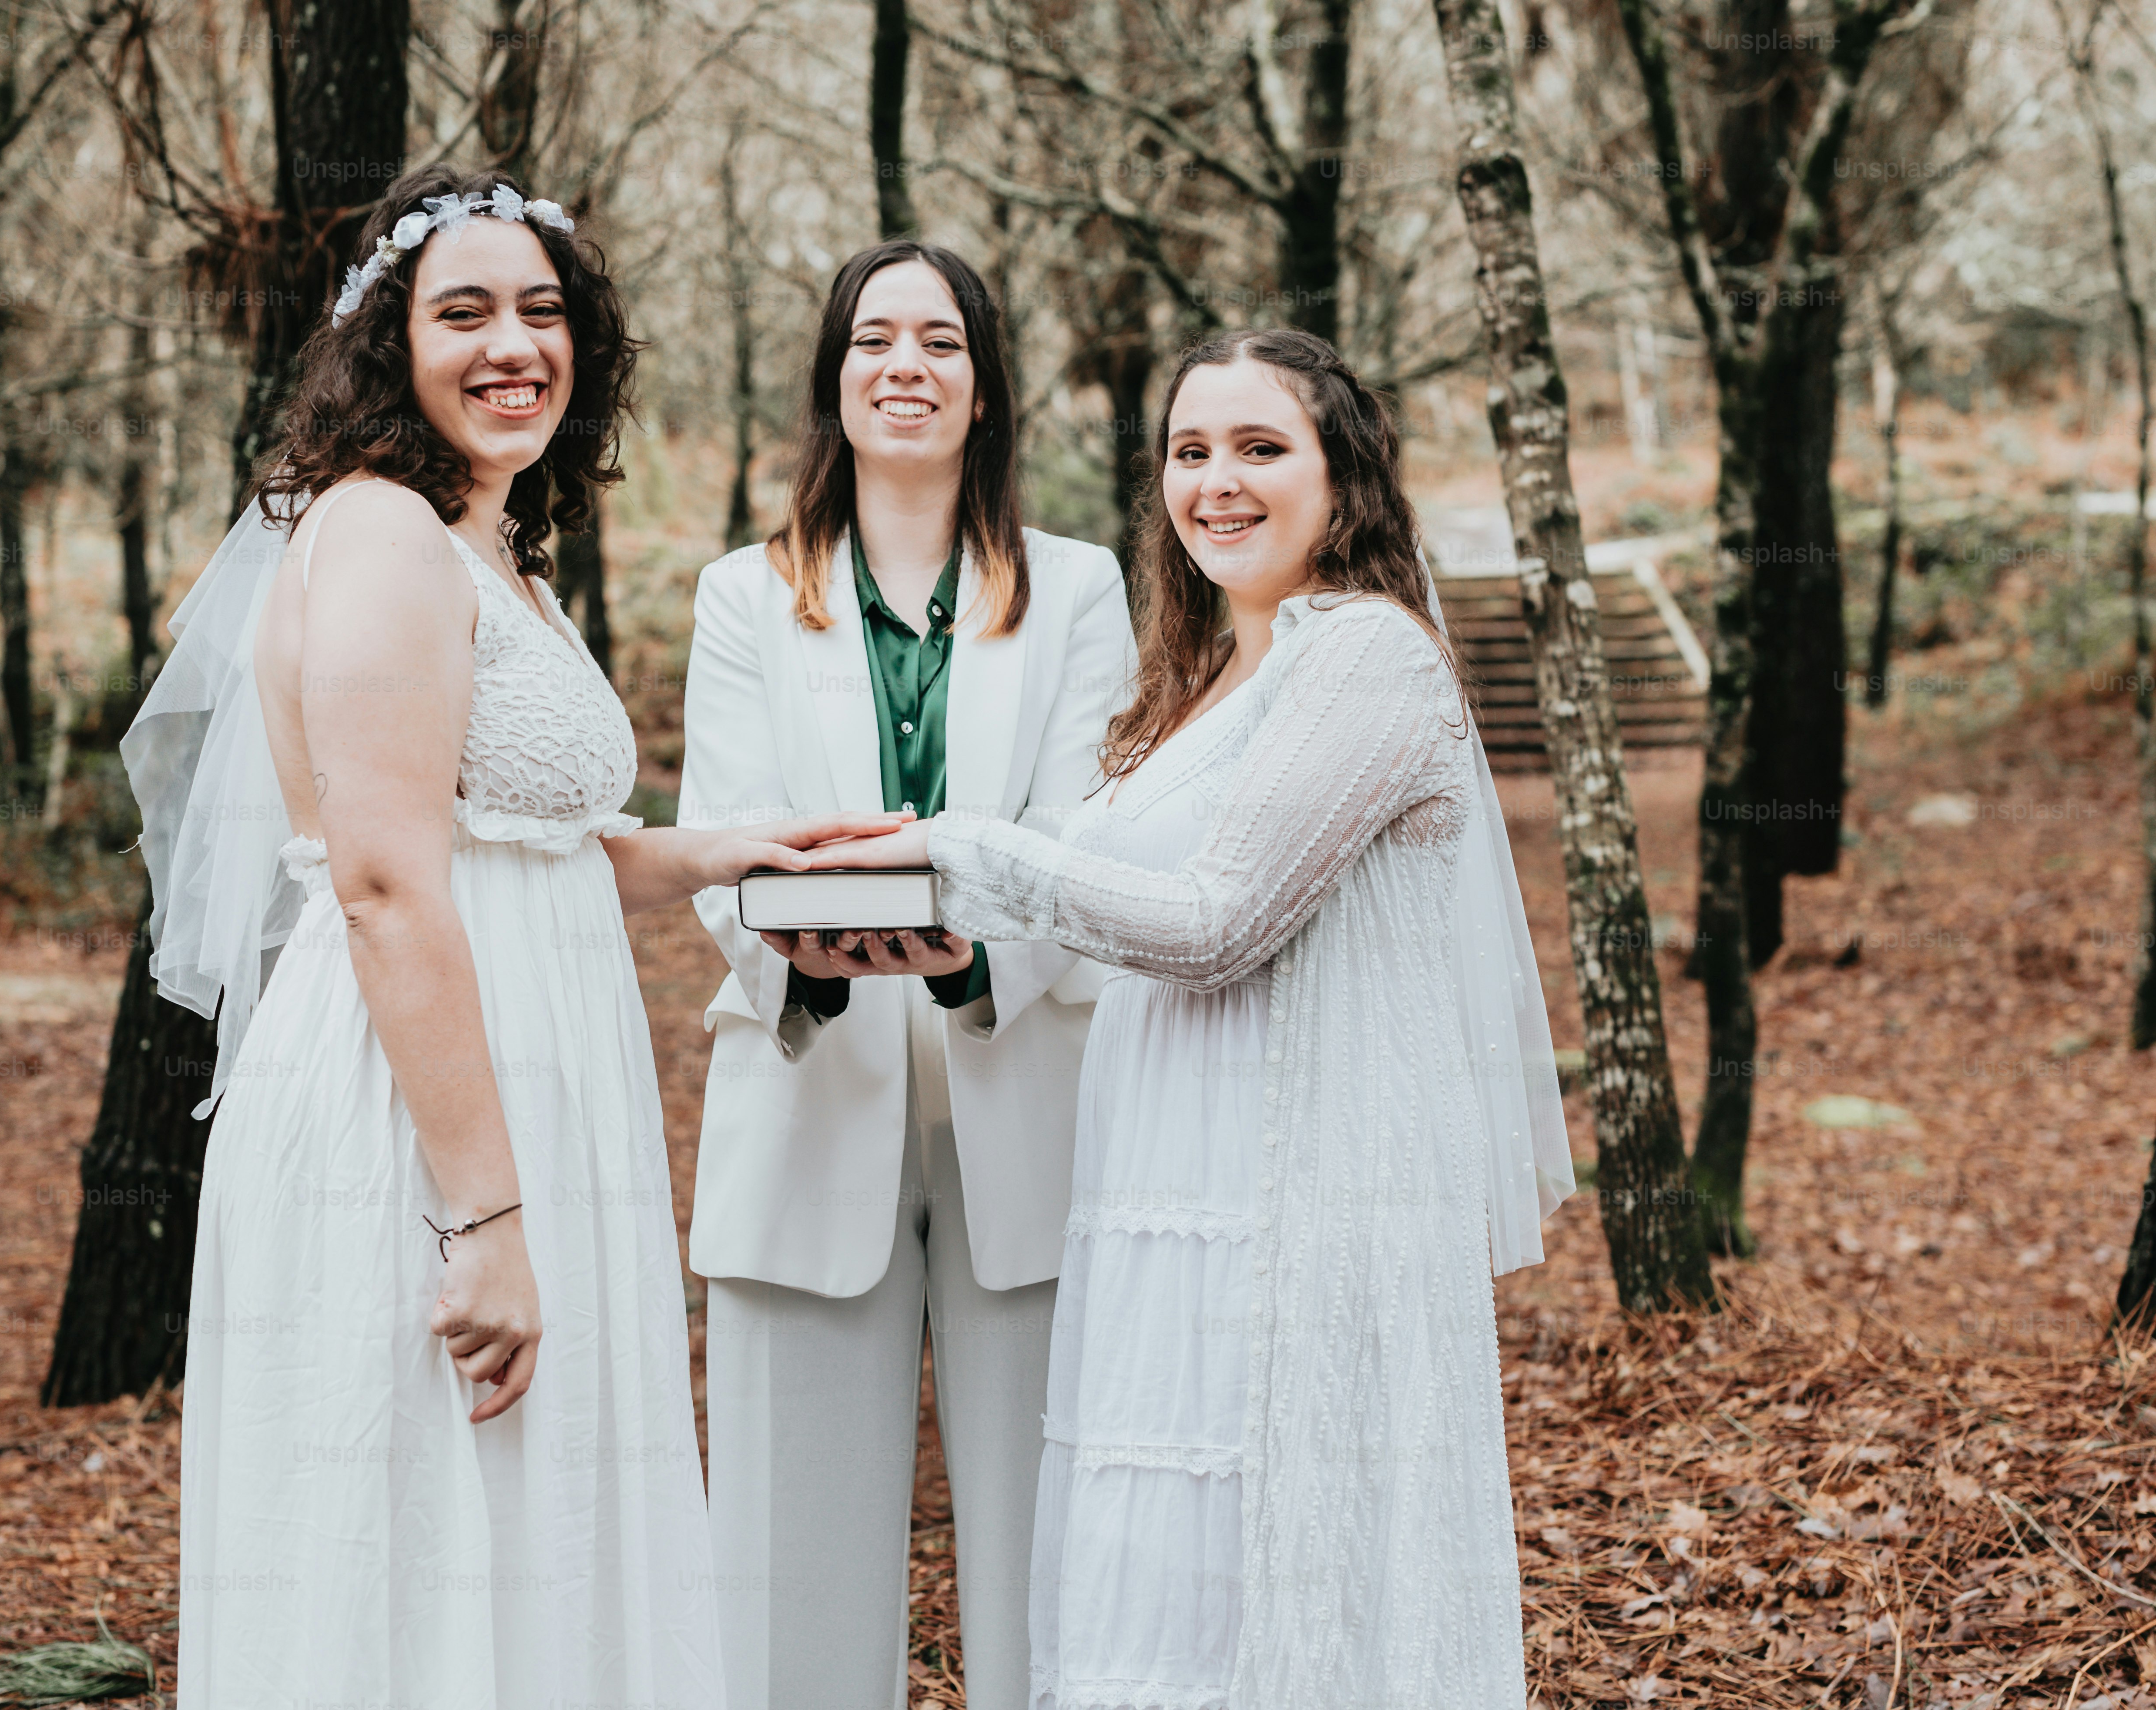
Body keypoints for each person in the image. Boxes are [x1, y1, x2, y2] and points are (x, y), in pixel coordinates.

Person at [132, 164, 896, 1710]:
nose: (513, 346)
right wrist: (482, 1221)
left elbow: (516, 843)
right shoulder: (384, 537)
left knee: (533, 1543)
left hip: (533, 1097)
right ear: (387, 346)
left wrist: (721, 851)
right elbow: (388, 887)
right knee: (432, 1557)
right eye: (464, 311)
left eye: (543, 313)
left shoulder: (485, 546)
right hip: (421, 1128)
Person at [803, 327, 1577, 1708]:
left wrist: (963, 856)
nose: (1216, 481)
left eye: (1262, 448)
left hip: (1301, 1195)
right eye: (1191, 450)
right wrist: (902, 915)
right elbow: (1112, 901)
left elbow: (1221, 923)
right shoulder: (1207, 675)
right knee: (1167, 1590)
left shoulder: (1366, 659)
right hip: (1171, 1188)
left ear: (1348, 479)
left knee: (1281, 1584)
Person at [676, 239, 1136, 1710]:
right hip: (812, 1096)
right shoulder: (745, 596)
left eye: (942, 343)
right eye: (875, 341)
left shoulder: (1077, 589)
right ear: (835, 381)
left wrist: (976, 957)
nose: (906, 367)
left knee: (1048, 1558)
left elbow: (1086, 841)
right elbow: (719, 840)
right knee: (786, 1575)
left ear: (987, 387)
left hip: (1023, 1091)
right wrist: (797, 957)